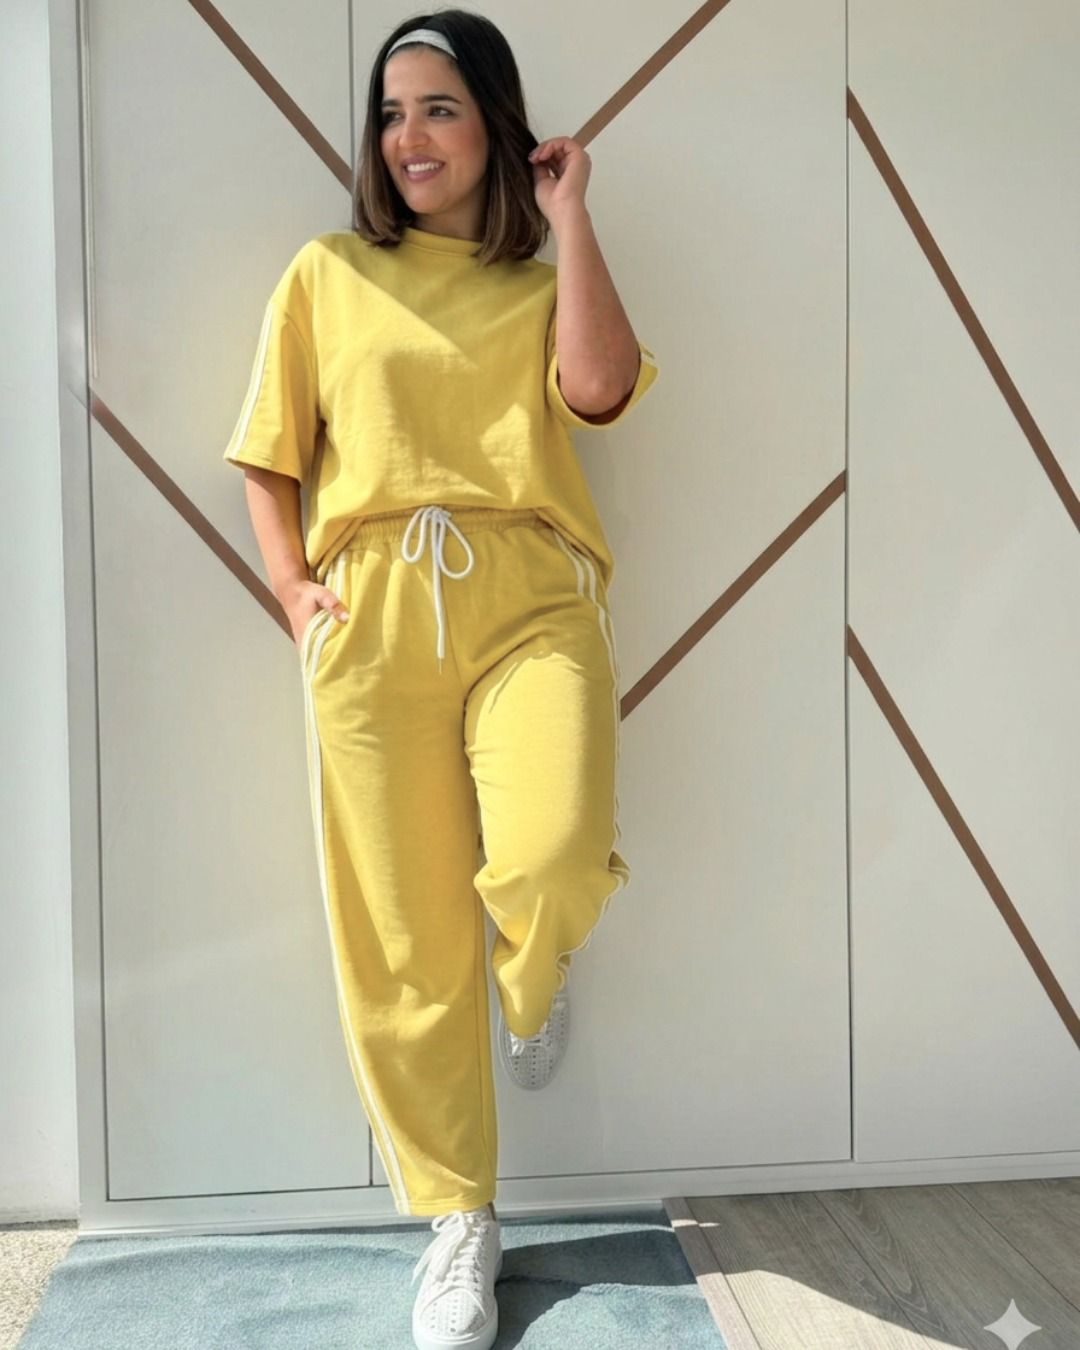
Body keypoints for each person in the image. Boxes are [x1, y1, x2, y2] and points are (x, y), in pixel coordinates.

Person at [223, 11, 658, 1348]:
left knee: (554, 848)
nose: (409, 137)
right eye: (391, 112)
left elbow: (598, 390)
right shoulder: (327, 272)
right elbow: (269, 454)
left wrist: (570, 216)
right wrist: (295, 593)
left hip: (527, 592)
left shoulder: (538, 283)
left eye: (441, 109)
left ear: (497, 127)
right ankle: (459, 1218)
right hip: (370, 612)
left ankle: (534, 965)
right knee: (402, 936)